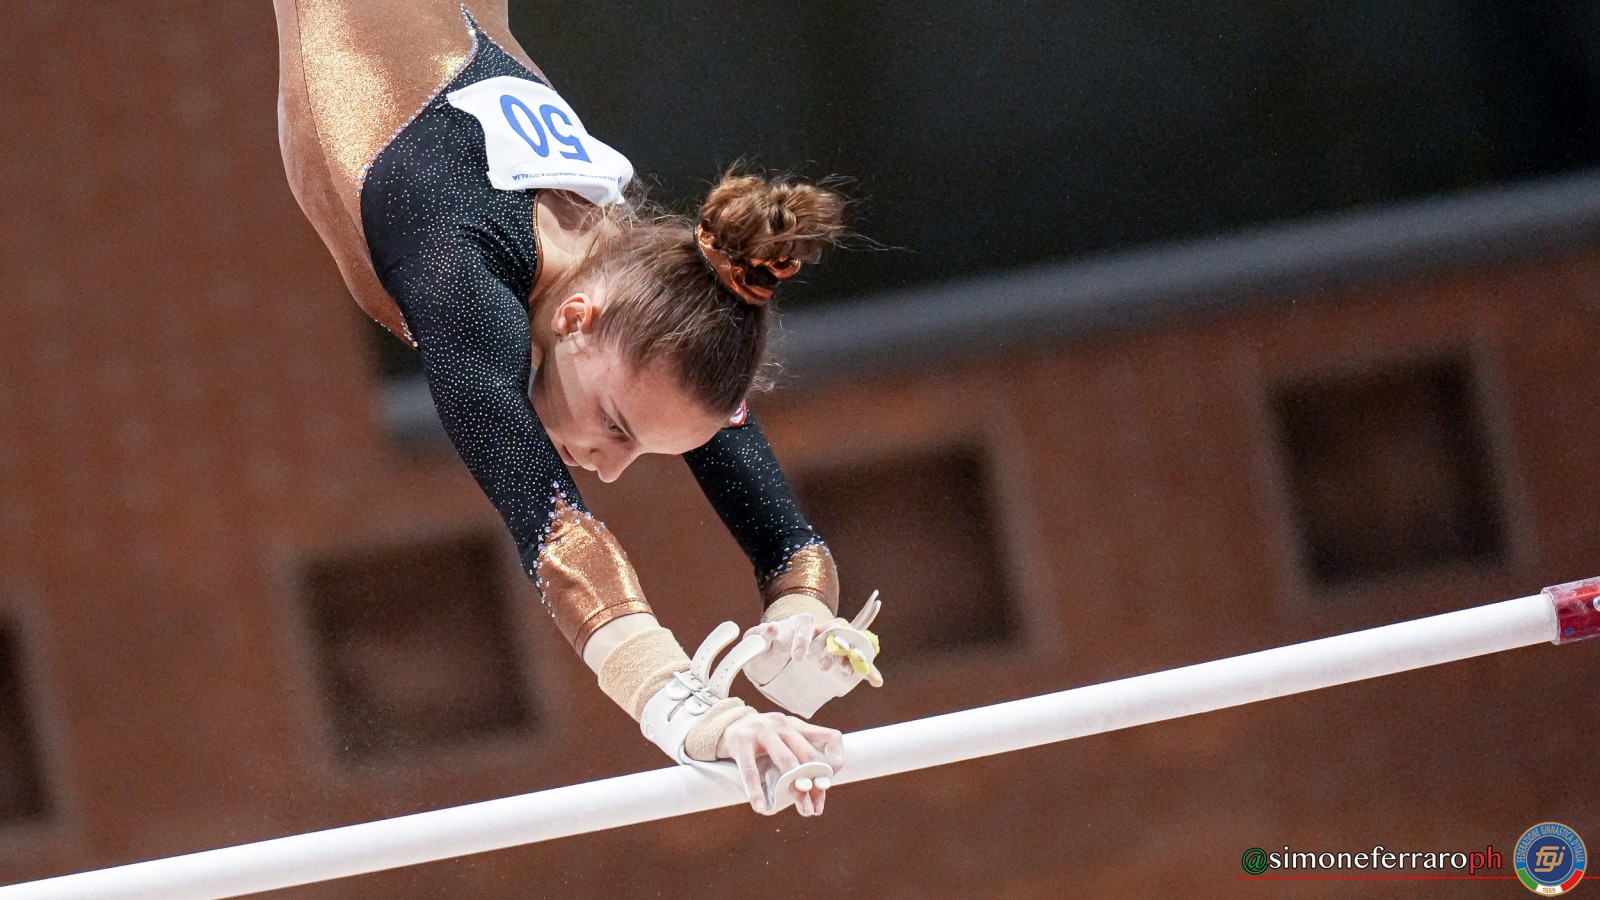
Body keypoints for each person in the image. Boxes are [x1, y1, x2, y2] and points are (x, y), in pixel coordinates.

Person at [272, 0, 883, 816]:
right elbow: (553, 527)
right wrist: (696, 716)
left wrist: (803, 614)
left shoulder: (655, 282)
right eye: (616, 428)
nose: (611, 466)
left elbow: (785, 536)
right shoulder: (459, 267)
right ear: (574, 318)